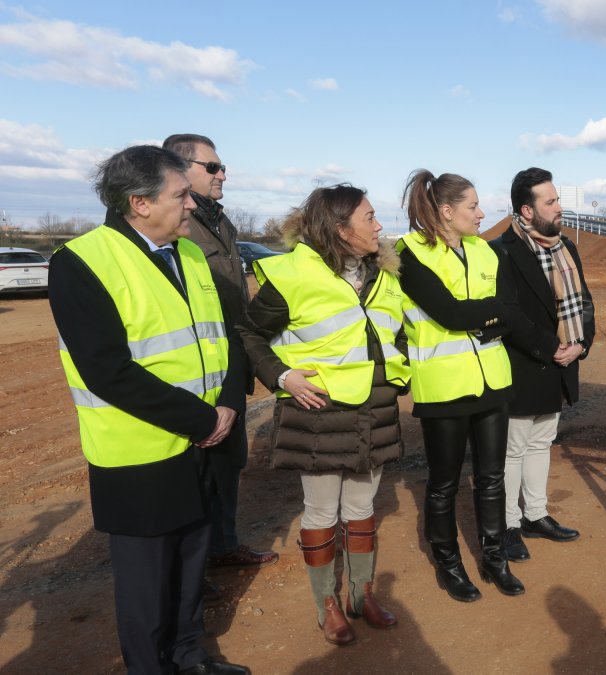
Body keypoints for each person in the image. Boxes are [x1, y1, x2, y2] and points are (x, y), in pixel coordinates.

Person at [49, 145, 248, 675]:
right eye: (180, 195)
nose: (190, 205)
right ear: (139, 202)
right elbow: (107, 371)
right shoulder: (80, 262)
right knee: (146, 585)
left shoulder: (186, 253)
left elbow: (219, 338)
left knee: (190, 569)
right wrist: (204, 420)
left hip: (203, 444)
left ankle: (189, 657)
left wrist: (227, 405)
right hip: (139, 456)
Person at [238, 184, 407, 646]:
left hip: (374, 409)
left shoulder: (384, 276)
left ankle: (361, 594)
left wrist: (401, 374)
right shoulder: (292, 275)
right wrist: (282, 377)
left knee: (362, 509)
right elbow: (249, 335)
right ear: (340, 229)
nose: (378, 226)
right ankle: (326, 605)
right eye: (369, 218)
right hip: (318, 415)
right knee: (320, 511)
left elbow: (396, 334)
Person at [398, 169, 524, 601]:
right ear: (447, 211)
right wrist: (492, 312)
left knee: (492, 477)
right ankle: (449, 563)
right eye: (472, 206)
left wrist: (486, 311)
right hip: (444, 387)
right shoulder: (408, 254)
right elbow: (448, 315)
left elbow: (510, 306)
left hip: (492, 379)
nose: (482, 213)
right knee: (443, 483)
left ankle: (494, 558)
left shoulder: (486, 252)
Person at [162, 133, 278, 577]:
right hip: (195, 374)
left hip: (231, 362)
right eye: (211, 167)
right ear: (178, 170)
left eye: (221, 166)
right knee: (194, 474)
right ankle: (192, 570)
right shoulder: (174, 228)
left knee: (229, 463)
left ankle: (223, 546)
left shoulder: (221, 222)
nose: (222, 174)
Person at [490, 167, 594, 562]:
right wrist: (552, 347)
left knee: (541, 443)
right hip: (523, 364)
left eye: (557, 199)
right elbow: (509, 313)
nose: (560, 207)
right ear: (527, 211)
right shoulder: (503, 251)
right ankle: (508, 524)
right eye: (550, 201)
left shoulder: (567, 246)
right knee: (512, 450)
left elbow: (584, 302)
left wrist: (580, 344)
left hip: (561, 362)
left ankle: (535, 515)